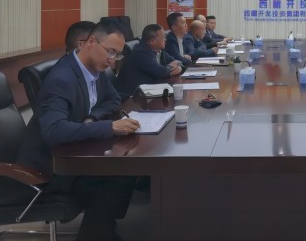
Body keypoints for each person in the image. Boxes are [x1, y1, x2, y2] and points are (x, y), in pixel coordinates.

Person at [17, 19, 141, 240]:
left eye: (117, 54)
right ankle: (95, 233)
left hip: (73, 149)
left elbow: (113, 99)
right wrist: (109, 127)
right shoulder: (62, 79)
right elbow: (55, 130)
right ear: (91, 42)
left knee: (126, 160)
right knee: (122, 167)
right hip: (49, 166)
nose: (112, 60)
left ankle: (99, 227)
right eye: (110, 52)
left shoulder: (93, 70)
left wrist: (92, 118)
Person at [115, 24, 182, 100]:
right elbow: (160, 71)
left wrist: (179, 67)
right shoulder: (141, 52)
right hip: (131, 98)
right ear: (152, 41)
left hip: (146, 92)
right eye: (163, 37)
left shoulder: (159, 50)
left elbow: (176, 61)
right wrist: (170, 67)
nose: (165, 39)